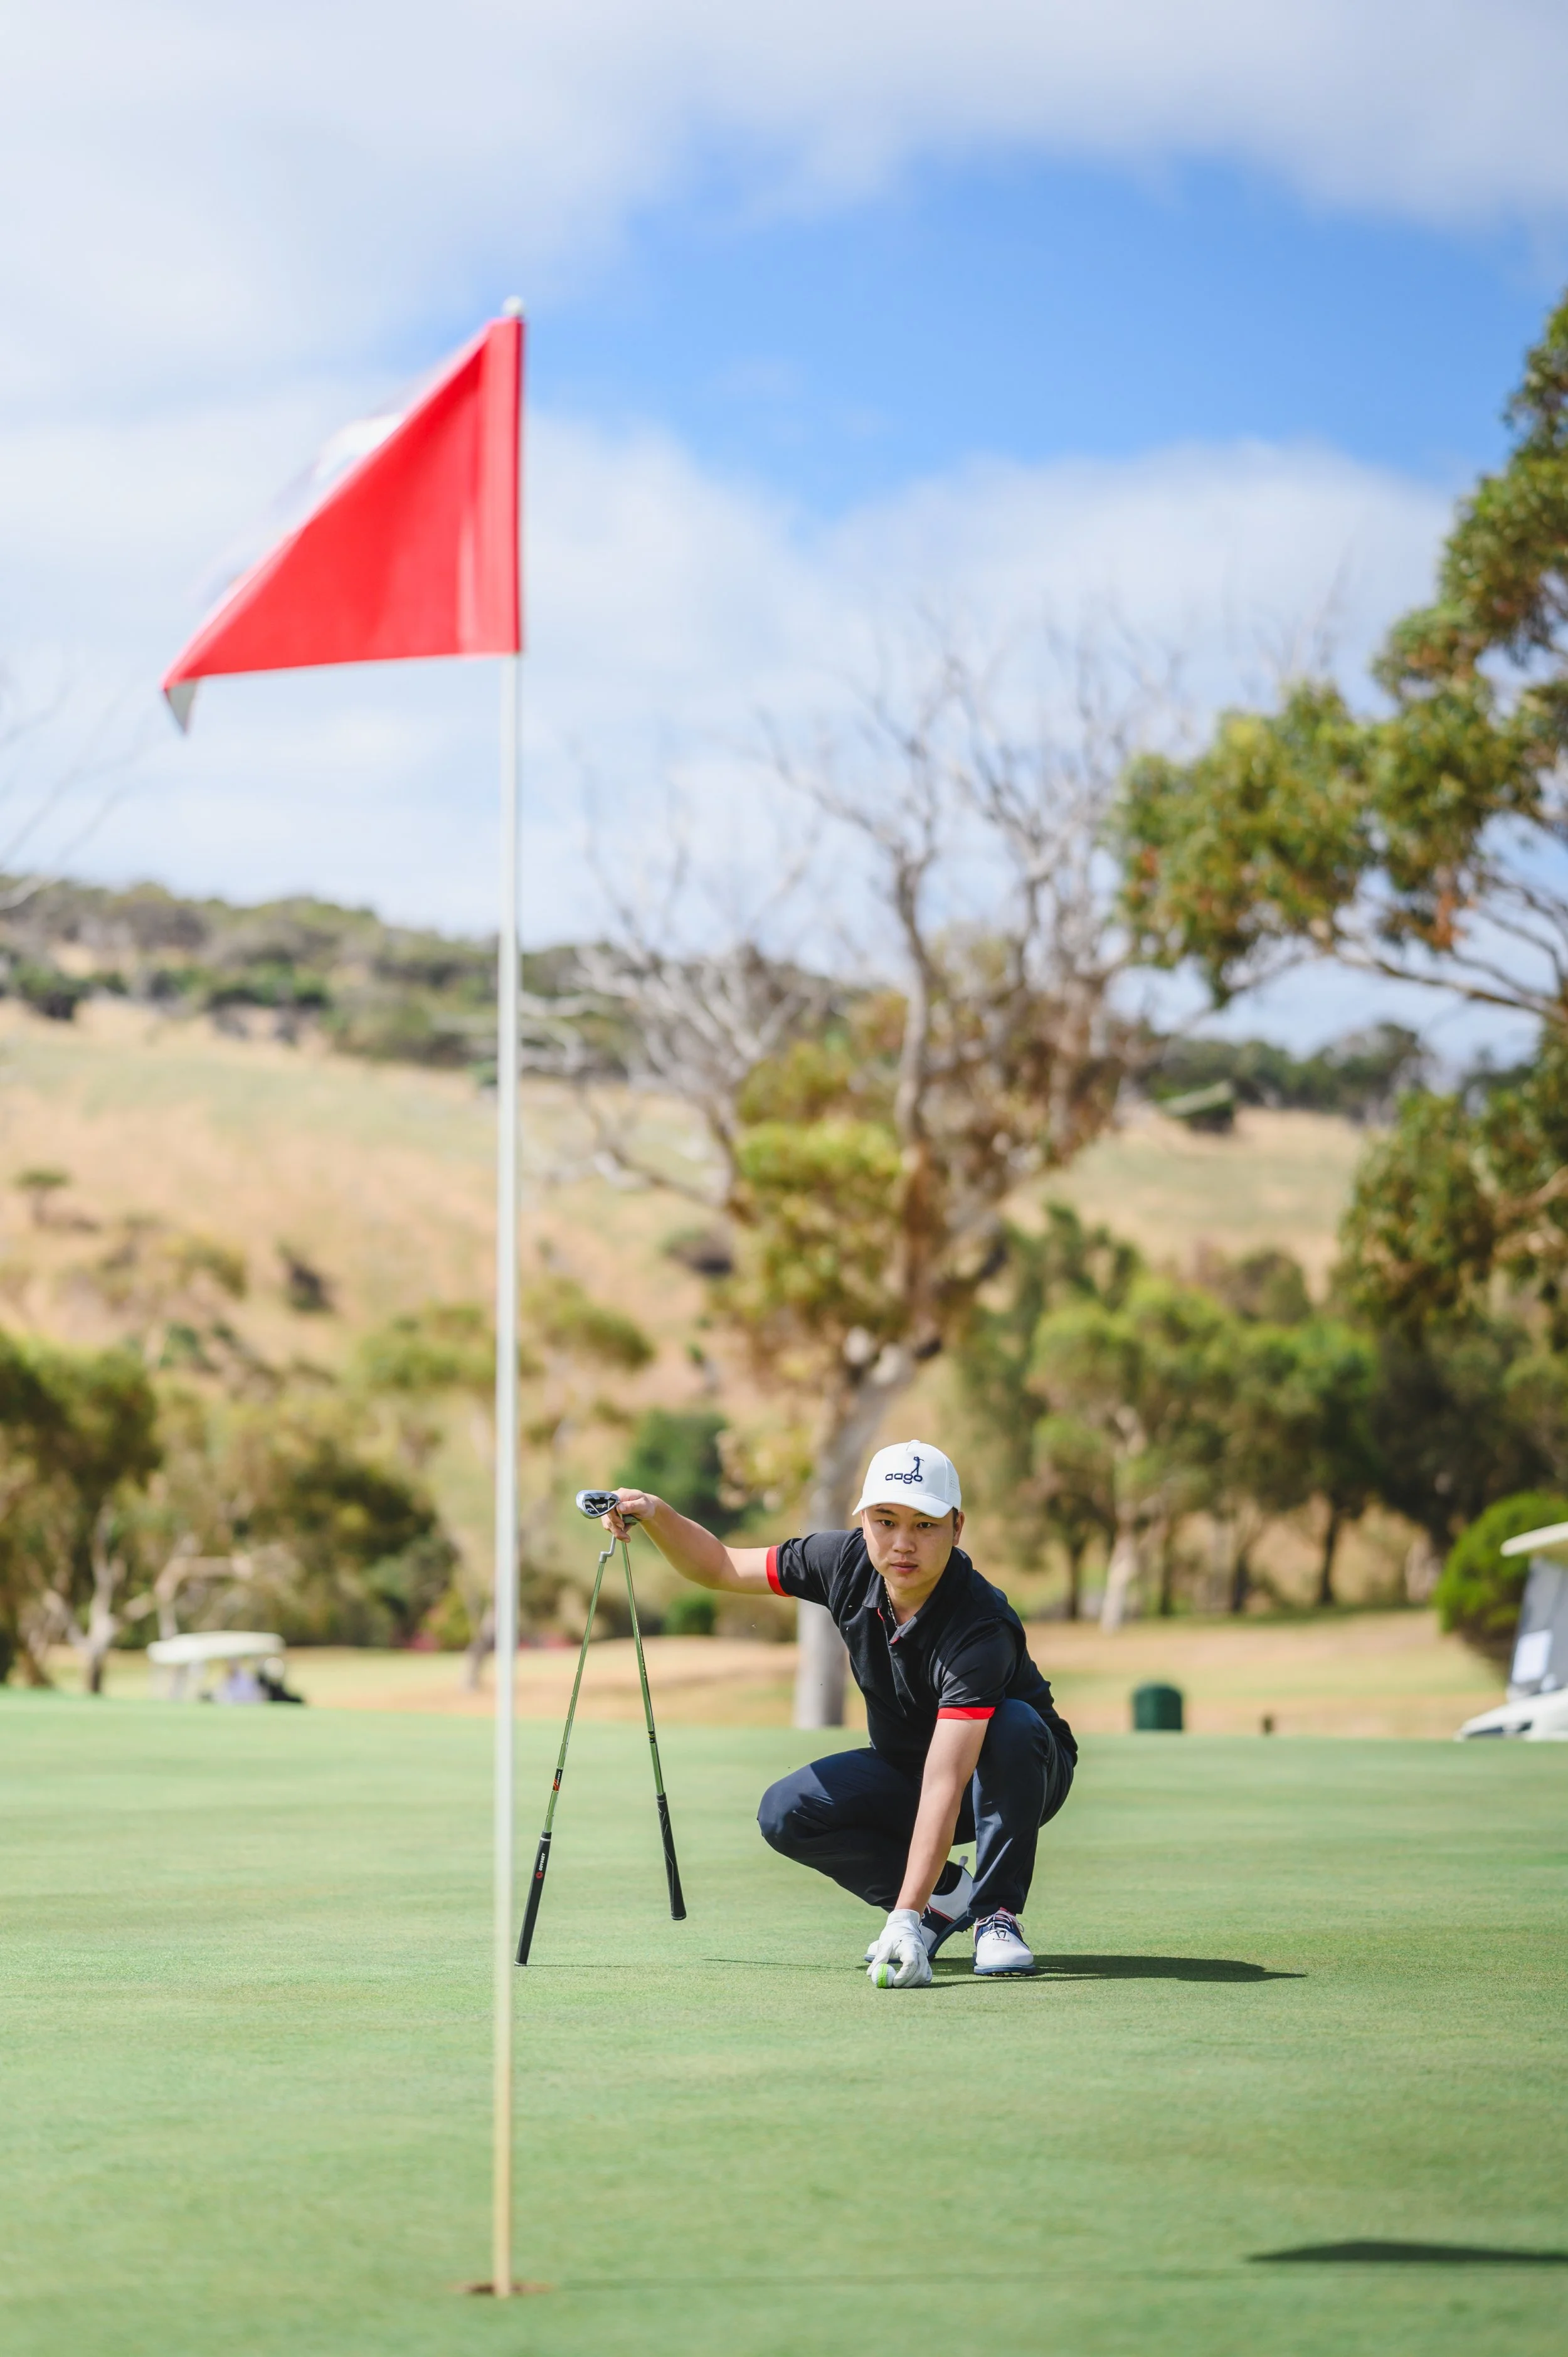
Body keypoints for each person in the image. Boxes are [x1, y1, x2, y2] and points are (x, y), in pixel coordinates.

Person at [605, 1438, 1075, 1988]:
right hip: (908, 1767)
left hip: (1016, 1777)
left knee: (1013, 1725)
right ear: (865, 1521)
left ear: (957, 1527)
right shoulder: (844, 1561)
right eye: (886, 1521)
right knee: (788, 1811)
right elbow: (723, 1566)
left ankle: (996, 1914)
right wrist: (657, 1515)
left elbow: (948, 1781)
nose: (903, 1543)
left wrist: (904, 1915)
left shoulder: (980, 1625)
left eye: (925, 1525)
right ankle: (950, 1894)